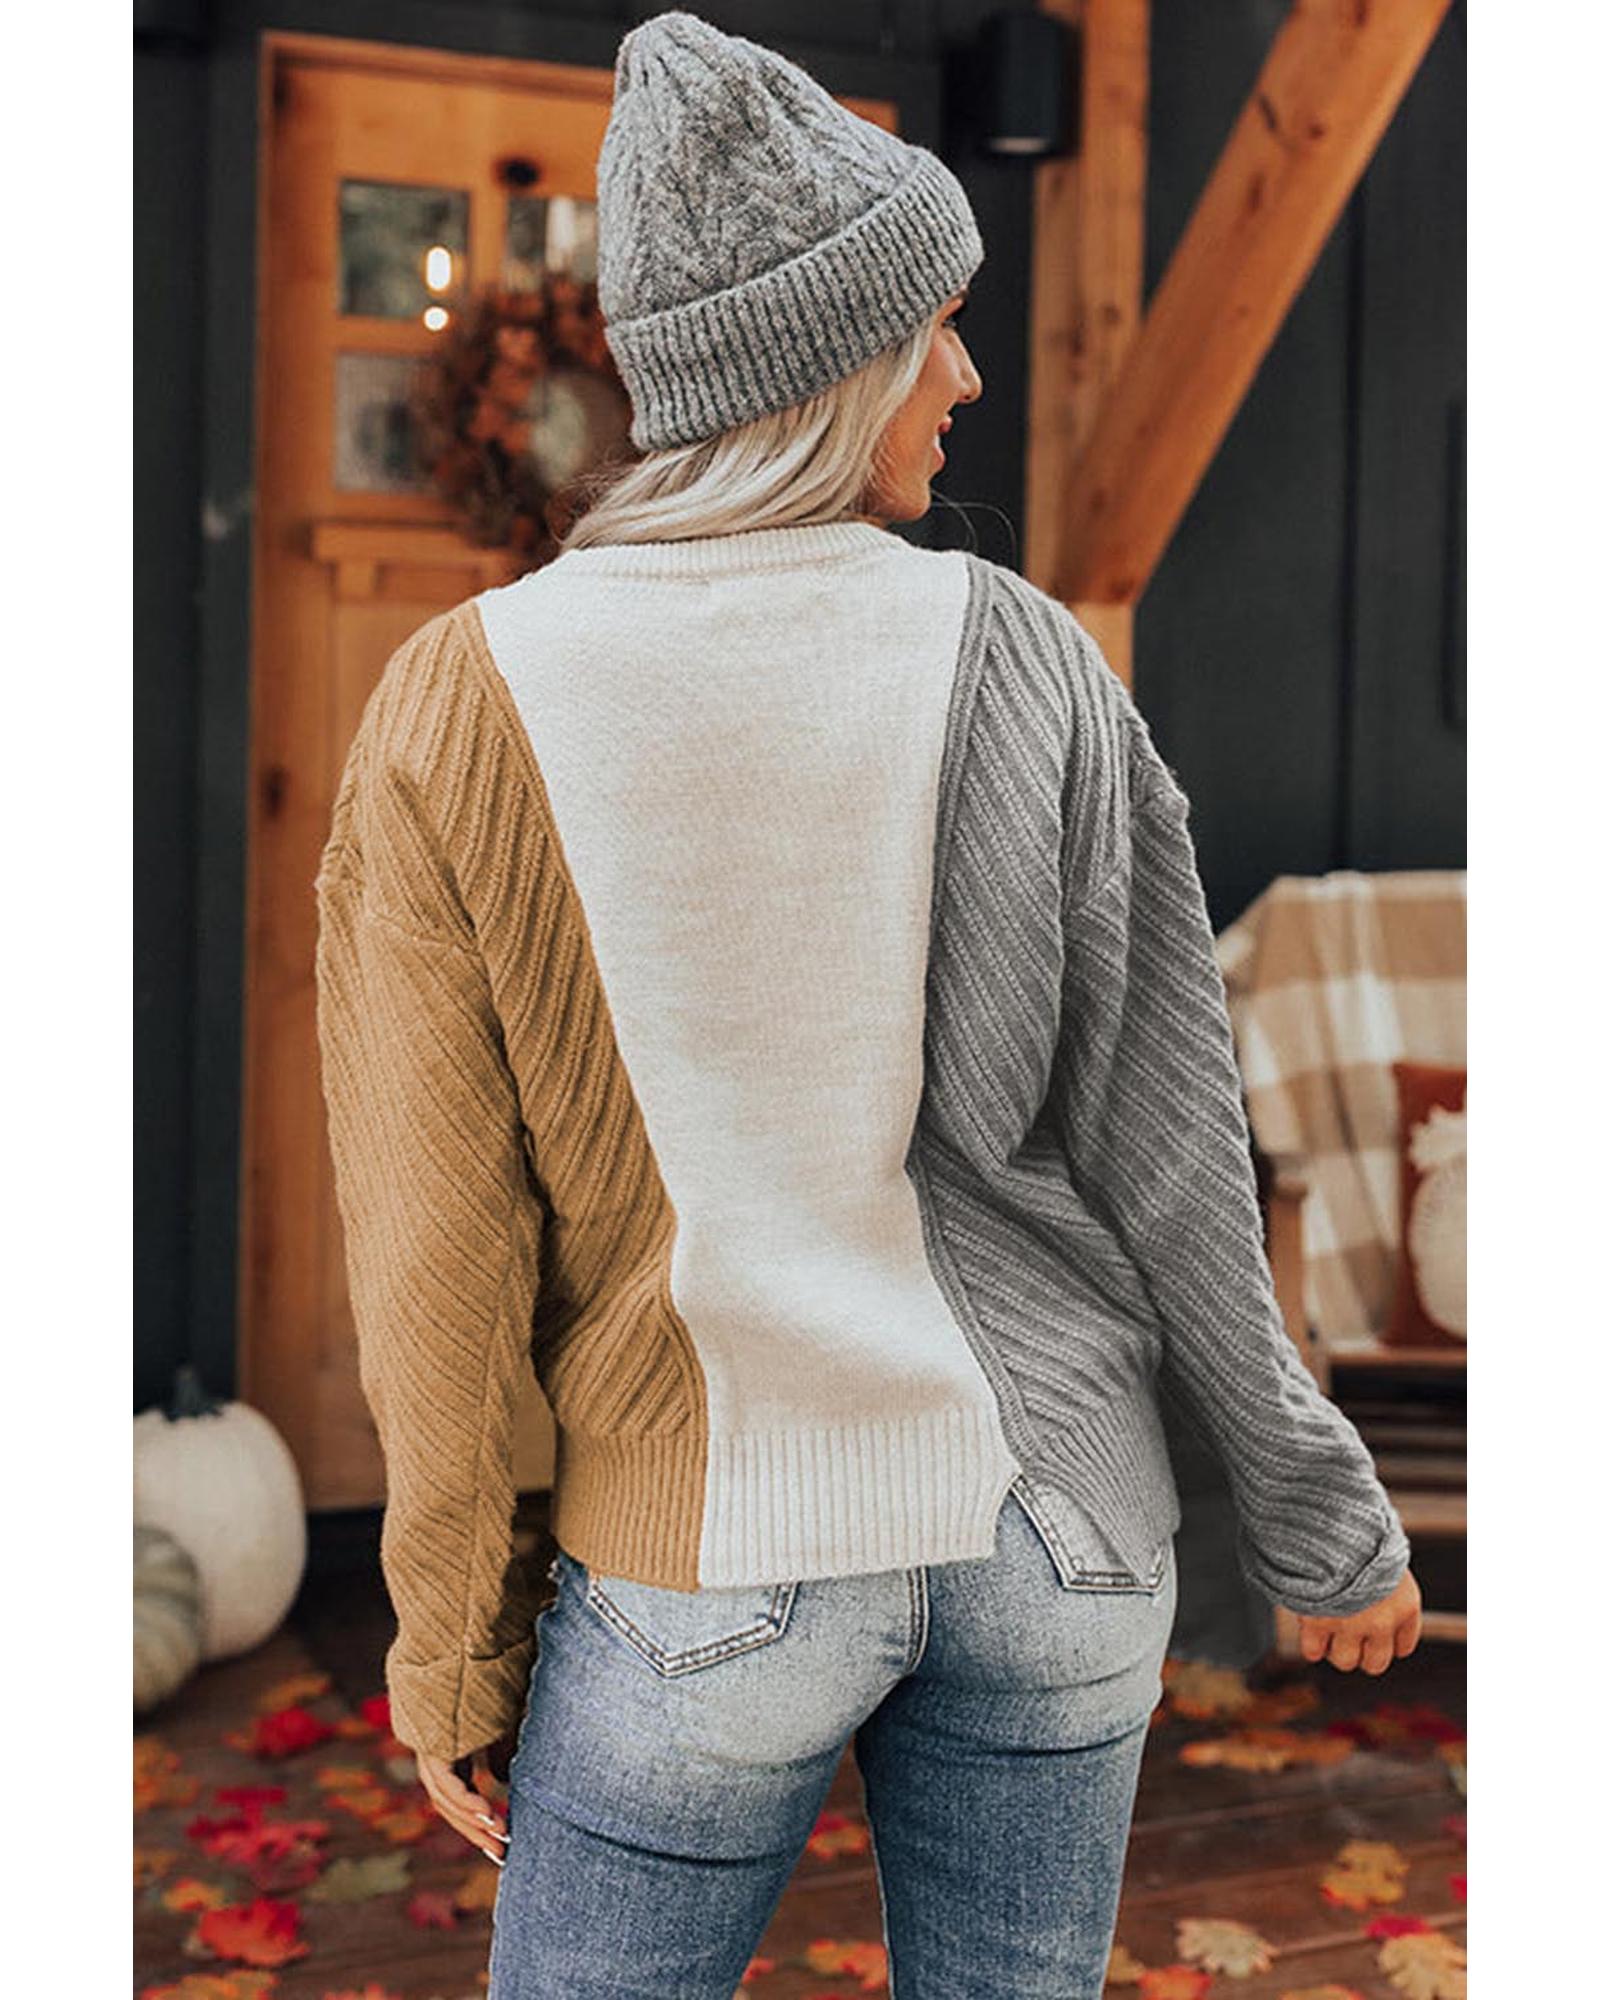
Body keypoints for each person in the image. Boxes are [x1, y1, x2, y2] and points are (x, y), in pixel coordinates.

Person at [313, 11, 1423, 1996]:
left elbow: (437, 1248)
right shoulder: (1026, 656)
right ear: (820, 361)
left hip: (708, 1573)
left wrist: (452, 1645)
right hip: (1057, 1538)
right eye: (933, 330)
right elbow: (1174, 1142)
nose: (967, 377)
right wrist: (1308, 1497)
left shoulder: (460, 702)